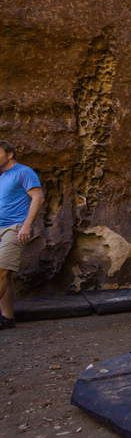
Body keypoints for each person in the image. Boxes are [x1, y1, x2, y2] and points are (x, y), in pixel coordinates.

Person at [0, 141, 44, 329]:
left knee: (1, 271)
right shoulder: (1, 176)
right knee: (5, 276)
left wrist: (26, 225)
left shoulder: (23, 172)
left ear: (9, 154)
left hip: (14, 227)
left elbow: (38, 197)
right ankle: (8, 318)